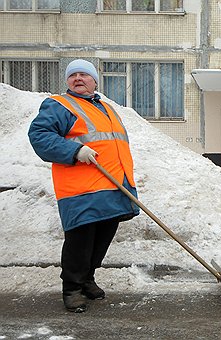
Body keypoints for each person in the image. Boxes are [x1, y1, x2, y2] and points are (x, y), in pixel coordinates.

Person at [28, 59, 140, 313]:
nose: (78, 78)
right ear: (67, 81)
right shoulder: (60, 105)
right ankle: (72, 289)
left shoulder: (106, 108)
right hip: (82, 188)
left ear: (94, 81)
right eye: (73, 75)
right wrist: (75, 150)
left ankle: (87, 279)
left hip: (112, 185)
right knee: (80, 240)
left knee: (102, 238)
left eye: (84, 75)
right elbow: (40, 135)